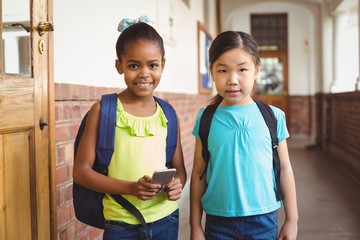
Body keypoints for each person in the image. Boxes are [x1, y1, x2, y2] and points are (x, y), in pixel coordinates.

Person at [73, 16, 186, 240]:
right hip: (120, 223)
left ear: (162, 65)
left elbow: (179, 168)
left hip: (166, 219)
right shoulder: (104, 110)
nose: (144, 73)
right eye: (134, 65)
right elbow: (81, 172)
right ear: (119, 66)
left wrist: (176, 185)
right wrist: (131, 188)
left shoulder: (168, 114)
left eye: (152, 65)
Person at [190, 31, 298, 240]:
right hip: (218, 222)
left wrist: (292, 219)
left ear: (257, 70)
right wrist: (195, 225)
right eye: (222, 70)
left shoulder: (273, 117)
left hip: (264, 221)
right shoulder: (206, 119)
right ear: (212, 72)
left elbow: (284, 168)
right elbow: (198, 174)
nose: (232, 80)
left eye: (242, 69)